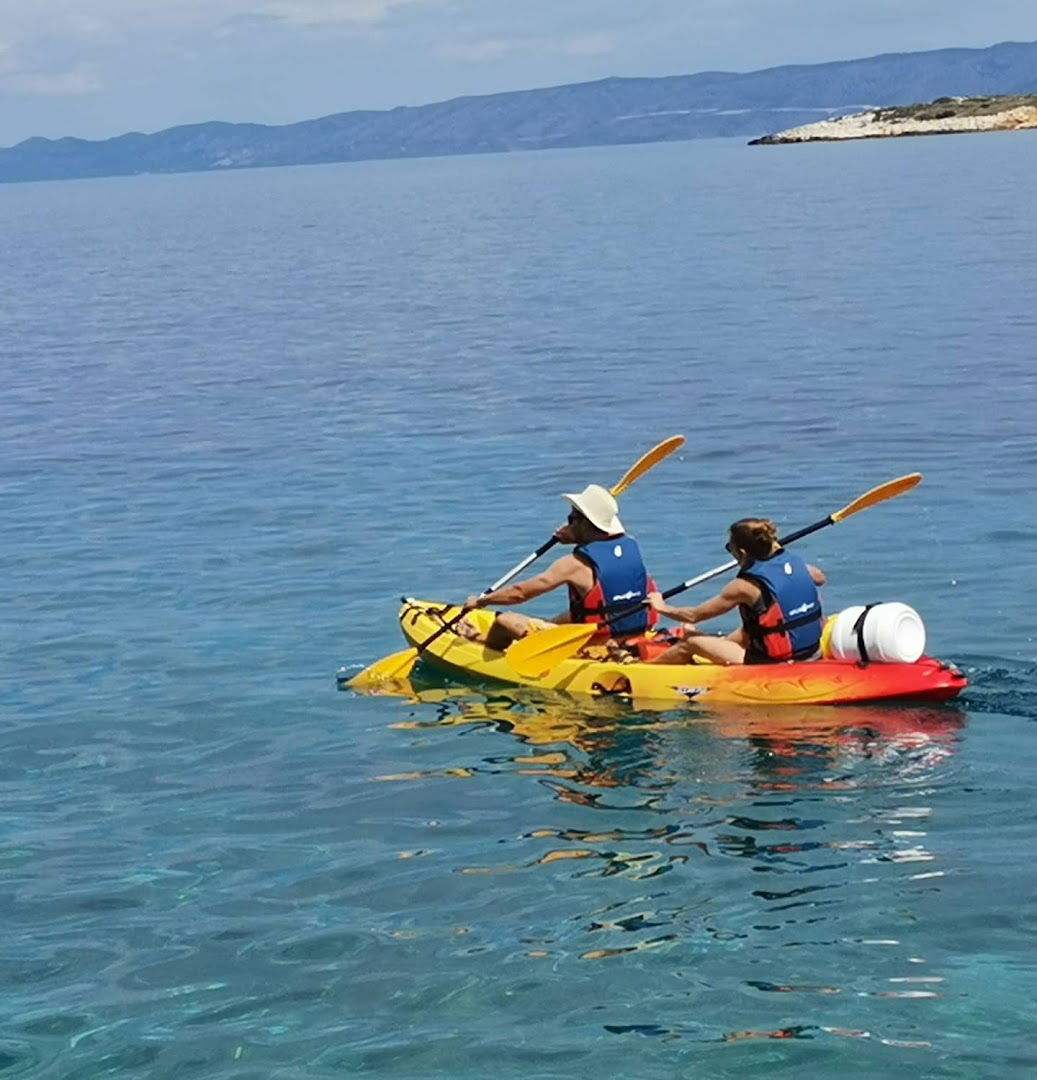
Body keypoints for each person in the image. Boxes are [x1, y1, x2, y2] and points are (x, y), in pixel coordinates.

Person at [458, 484, 658, 653]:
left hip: (593, 642)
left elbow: (520, 594)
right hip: (633, 633)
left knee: (504, 621)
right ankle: (541, 630)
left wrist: (482, 601)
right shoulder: (630, 546)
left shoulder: (573, 564)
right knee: (570, 615)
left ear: (586, 524)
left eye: (572, 519)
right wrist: (576, 533)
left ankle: (482, 644)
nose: (568, 523)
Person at [646, 518, 825, 665]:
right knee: (755, 624)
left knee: (689, 643)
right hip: (813, 650)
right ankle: (718, 647)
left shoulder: (743, 586)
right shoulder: (799, 564)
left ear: (741, 552)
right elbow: (820, 579)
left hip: (771, 661)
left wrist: (661, 606)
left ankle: (646, 670)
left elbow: (694, 615)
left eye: (729, 548)